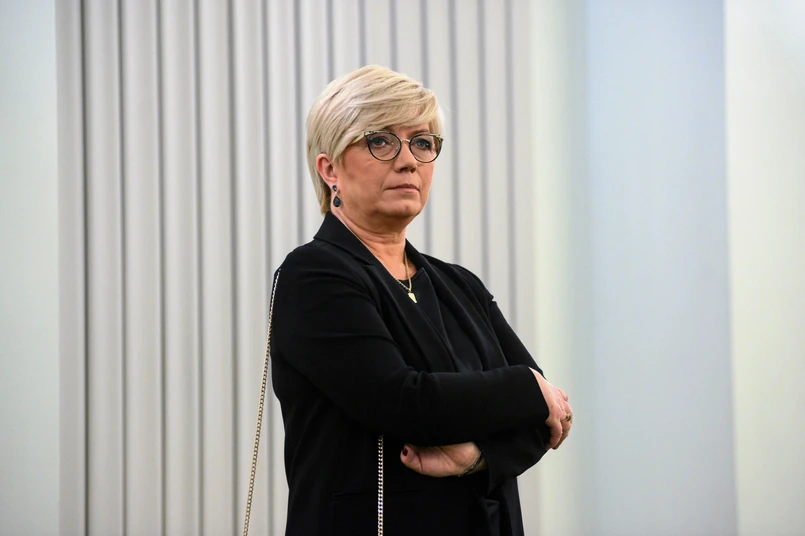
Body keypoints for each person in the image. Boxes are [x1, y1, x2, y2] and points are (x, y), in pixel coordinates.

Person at [270, 65, 573, 536]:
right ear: (330, 170)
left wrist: (476, 458)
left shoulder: (459, 285)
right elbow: (401, 401)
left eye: (423, 142)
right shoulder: (314, 275)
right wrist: (525, 388)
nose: (409, 161)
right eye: (381, 141)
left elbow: (546, 421)